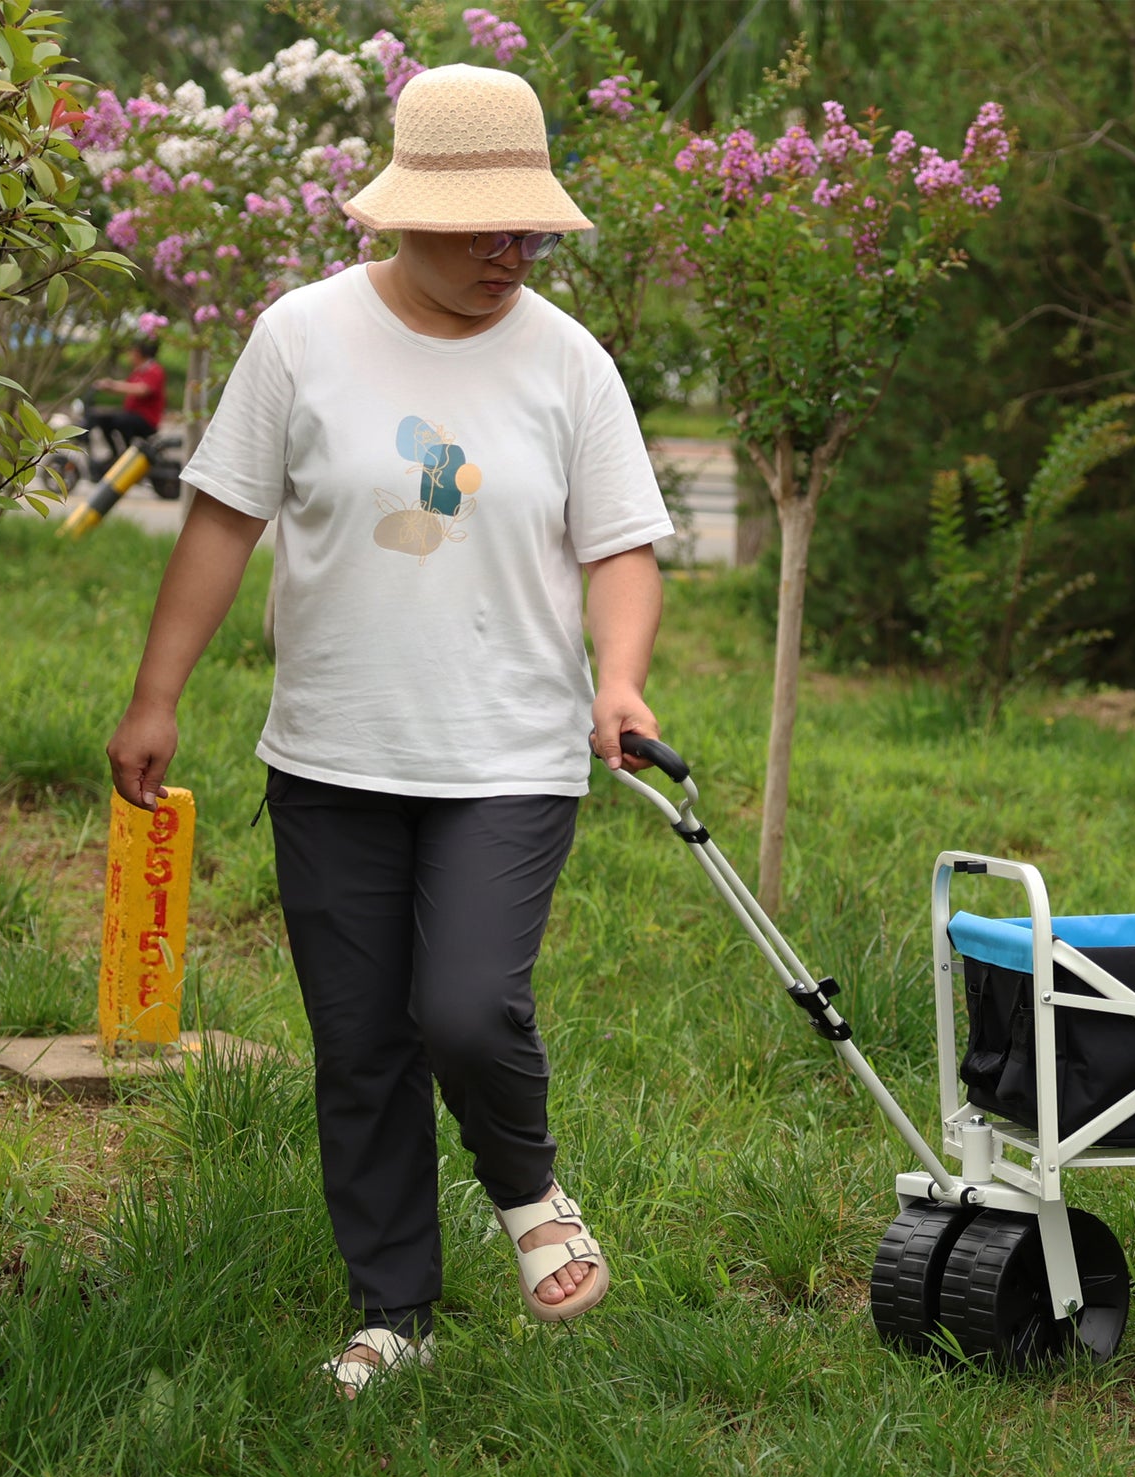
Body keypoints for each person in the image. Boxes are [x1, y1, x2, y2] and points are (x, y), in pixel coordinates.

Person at [104, 65, 673, 1396]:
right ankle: (395, 1311)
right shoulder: (299, 336)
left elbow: (624, 545)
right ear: (402, 214)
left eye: (527, 227)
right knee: (360, 1045)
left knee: (466, 1009)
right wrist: (157, 693)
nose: (512, 250)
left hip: (510, 754)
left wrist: (620, 677)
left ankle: (526, 1191)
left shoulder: (567, 361)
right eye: (486, 226)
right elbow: (223, 522)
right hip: (331, 752)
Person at [85, 334, 167, 471]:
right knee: (103, 419)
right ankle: (115, 455)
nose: (129, 356)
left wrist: (113, 385)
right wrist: (107, 385)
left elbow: (142, 389)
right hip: (132, 415)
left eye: (131, 352)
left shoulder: (155, 370)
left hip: (146, 420)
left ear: (139, 353)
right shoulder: (138, 371)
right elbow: (126, 386)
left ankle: (131, 455)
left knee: (122, 421)